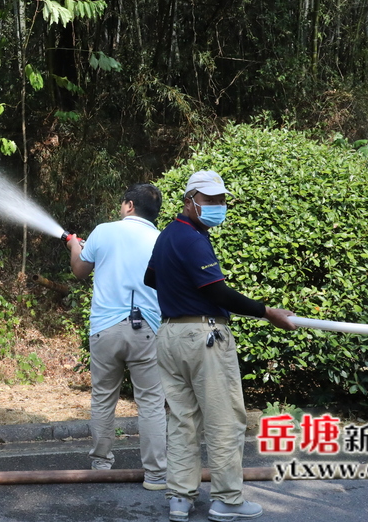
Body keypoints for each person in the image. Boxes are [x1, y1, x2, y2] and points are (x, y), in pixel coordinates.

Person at [144, 170, 296, 522]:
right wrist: (267, 312)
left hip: (169, 335)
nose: (217, 206)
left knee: (181, 420)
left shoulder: (168, 234)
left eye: (221, 200)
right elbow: (217, 292)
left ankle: (180, 498)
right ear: (189, 200)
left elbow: (151, 277)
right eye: (209, 200)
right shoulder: (193, 239)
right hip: (204, 335)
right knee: (224, 420)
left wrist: (178, 292)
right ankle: (227, 499)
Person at [65, 183, 167, 491]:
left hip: (105, 328)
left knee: (103, 397)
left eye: (123, 204)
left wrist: (74, 245)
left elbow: (80, 270)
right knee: (151, 402)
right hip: (148, 328)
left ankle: (101, 465)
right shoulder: (162, 239)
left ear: (129, 206)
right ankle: (156, 475)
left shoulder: (103, 231)